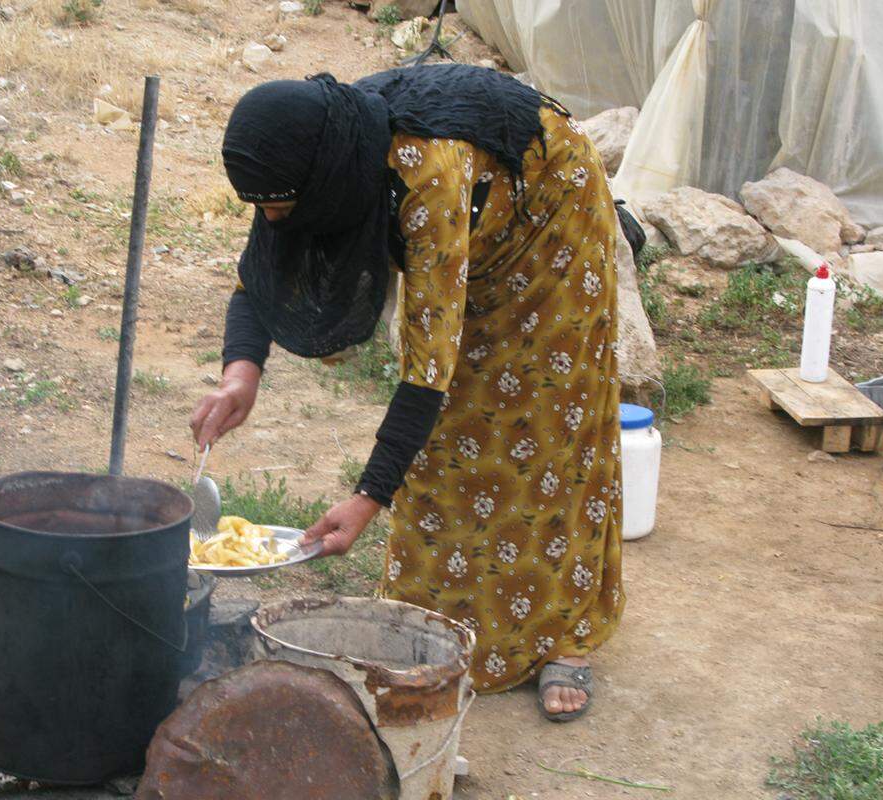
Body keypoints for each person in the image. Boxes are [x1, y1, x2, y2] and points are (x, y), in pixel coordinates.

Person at [190, 64, 624, 721]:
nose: (273, 217)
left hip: (548, 211)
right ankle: (430, 618)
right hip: (471, 217)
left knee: (544, 419)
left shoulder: (426, 175)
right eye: (266, 206)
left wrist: (367, 498)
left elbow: (428, 371)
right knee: (449, 442)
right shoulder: (315, 151)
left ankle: (565, 636)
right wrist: (239, 372)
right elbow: (263, 271)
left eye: (279, 205)